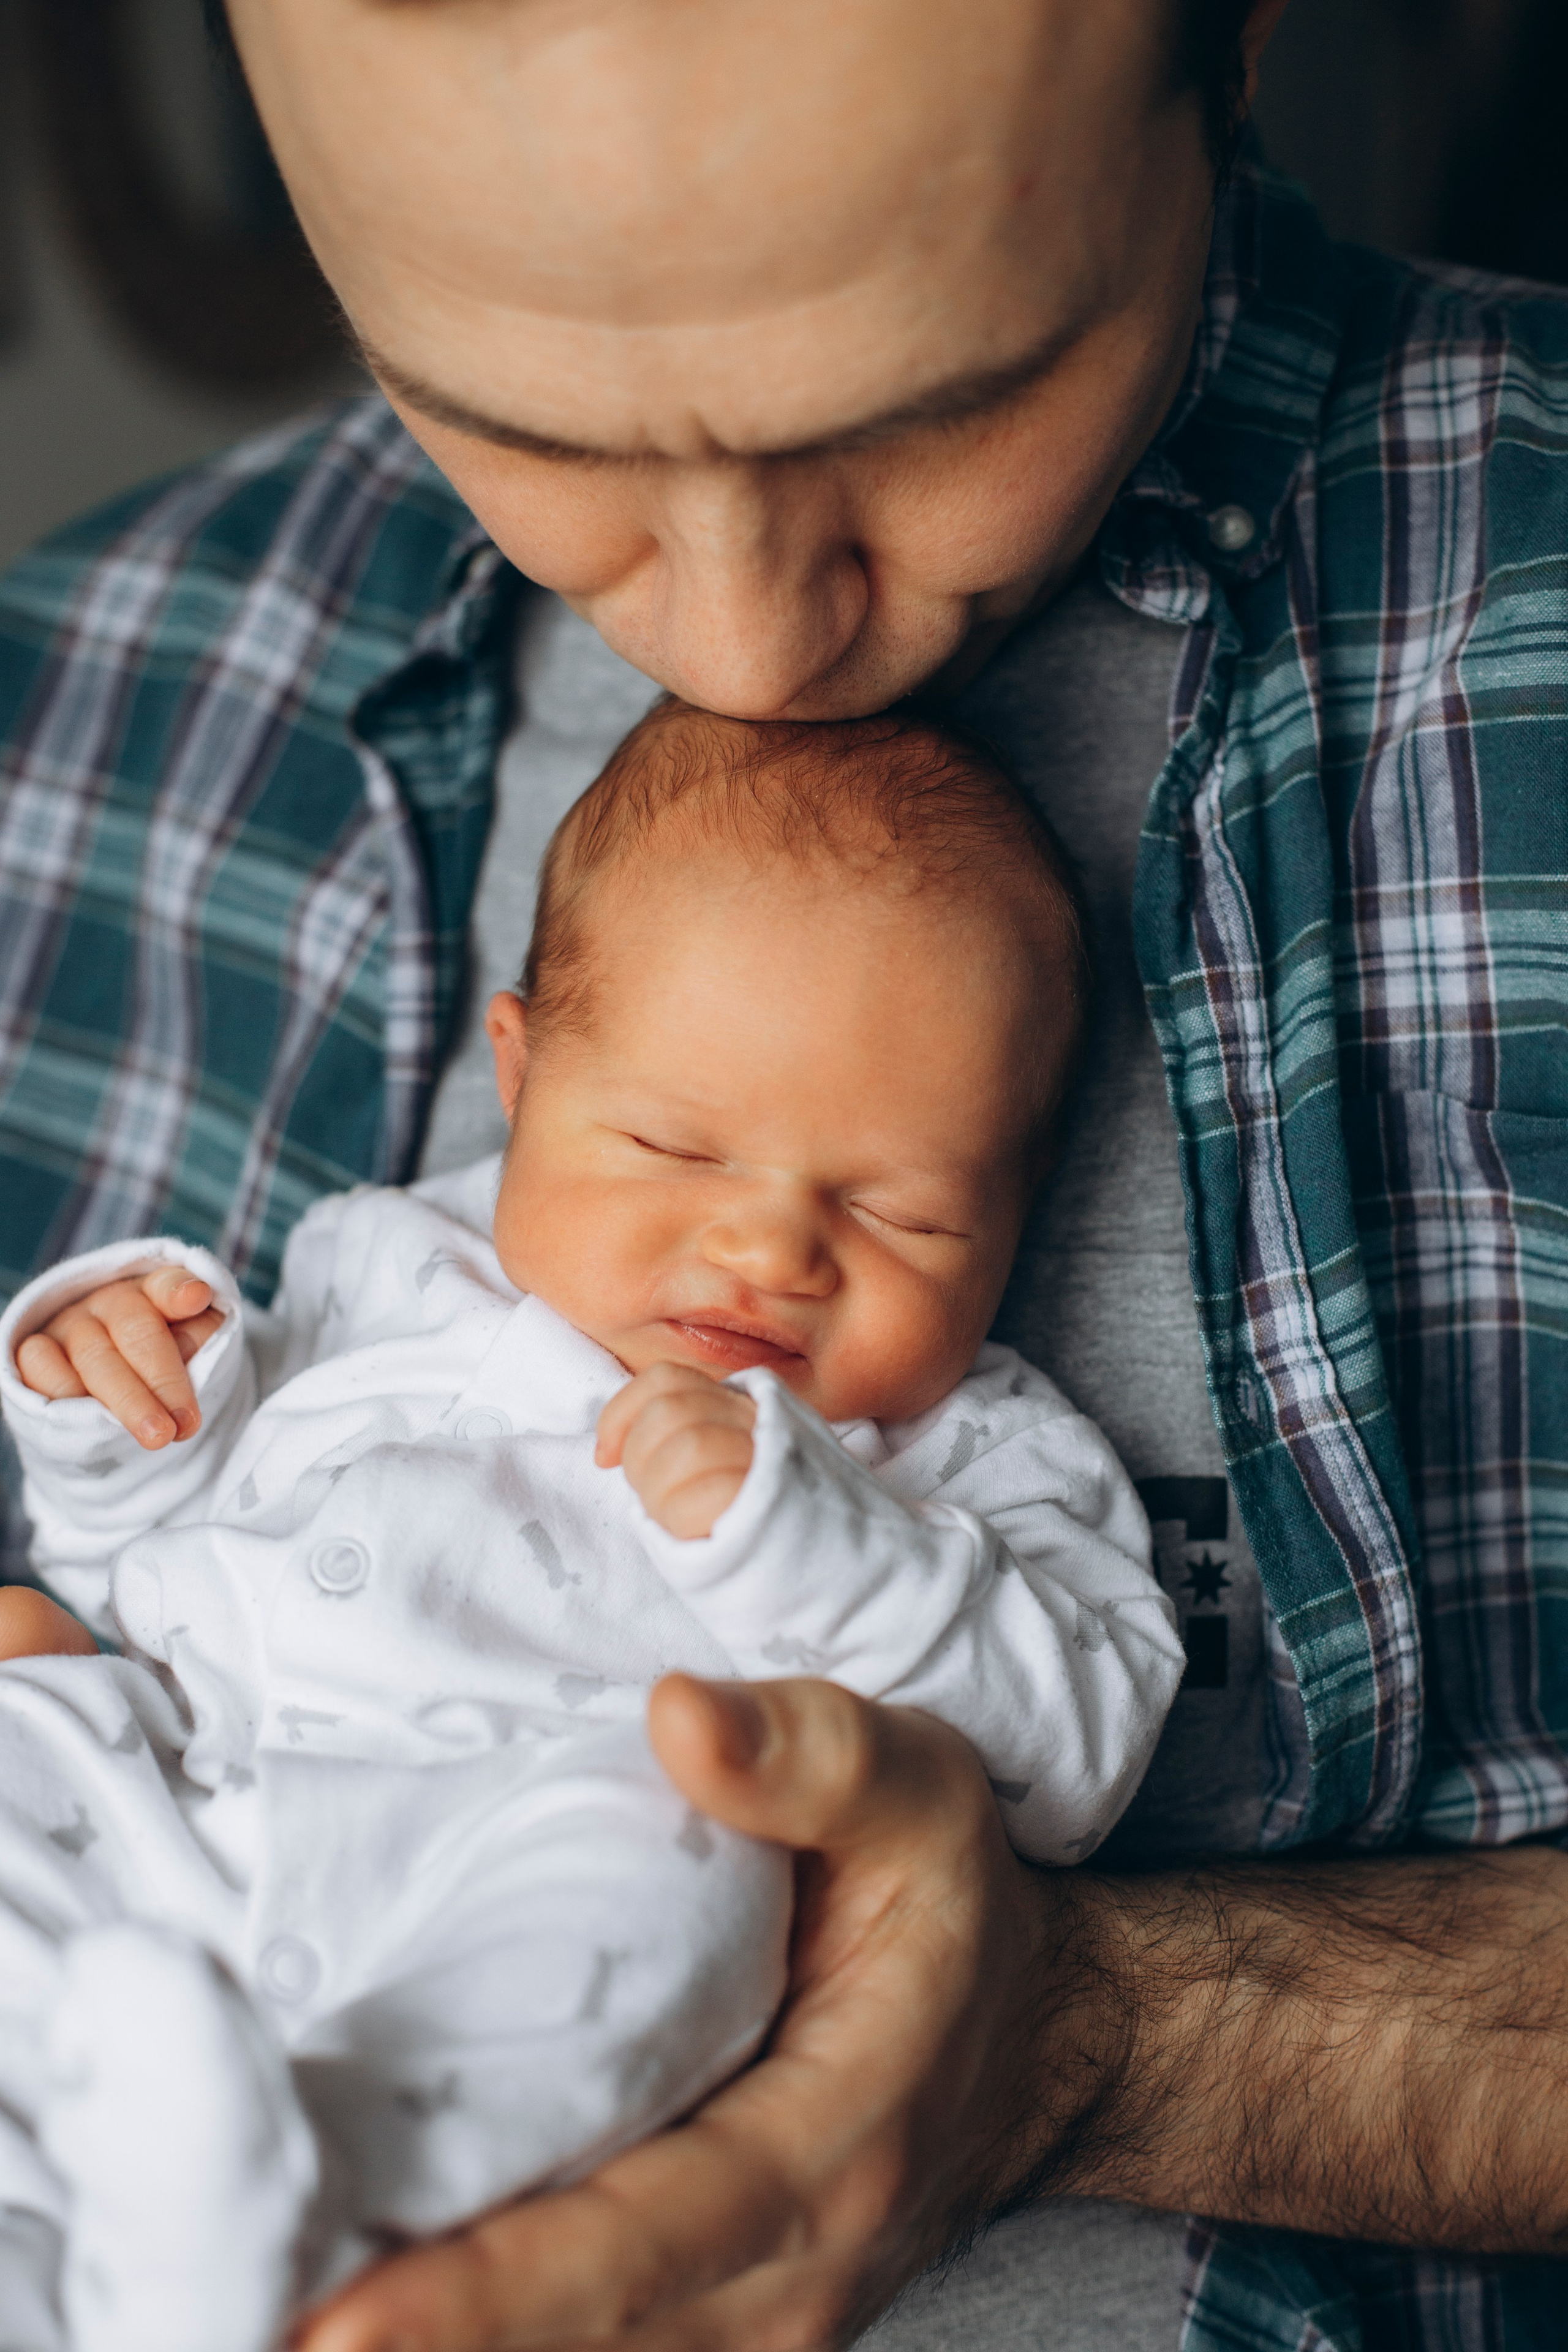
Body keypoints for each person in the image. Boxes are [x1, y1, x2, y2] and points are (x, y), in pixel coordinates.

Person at [0, 0, 1565, 2346]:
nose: (740, 635)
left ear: (1233, 42)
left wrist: (1103, 2030)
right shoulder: (74, 705)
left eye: (940, 411)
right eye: (522, 428)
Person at [0, 704, 1181, 2351]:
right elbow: (130, 1555)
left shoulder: (973, 1448)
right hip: (193, 1800)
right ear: (522, 1073)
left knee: (684, 1864)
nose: (770, 1246)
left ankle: (310, 2197)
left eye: (897, 1206)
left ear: (1016, 1203)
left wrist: (806, 1529)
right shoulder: (378, 1266)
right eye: (671, 1146)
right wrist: (111, 1407)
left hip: (524, 1877)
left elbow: (1072, 1761)